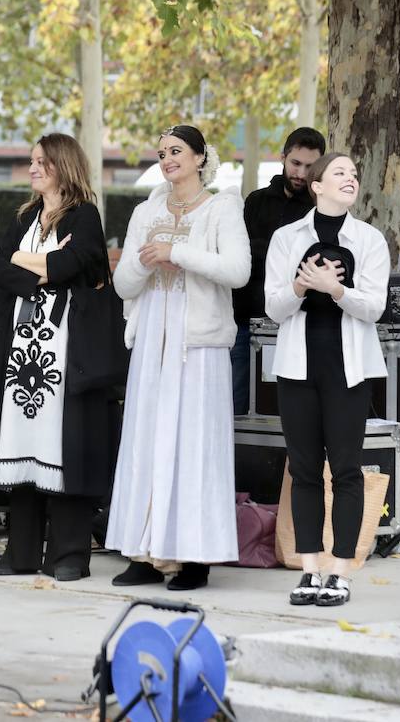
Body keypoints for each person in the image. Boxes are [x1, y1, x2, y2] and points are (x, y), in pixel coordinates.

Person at [107, 125, 249, 591]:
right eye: (163, 152)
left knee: (193, 446)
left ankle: (193, 557)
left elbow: (238, 271)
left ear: (199, 157)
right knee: (147, 440)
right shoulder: (146, 211)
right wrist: (146, 261)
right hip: (152, 341)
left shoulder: (222, 207)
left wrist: (179, 252)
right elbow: (124, 285)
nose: (168, 159)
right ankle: (143, 550)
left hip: (198, 346)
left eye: (177, 151)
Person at [0, 133, 119, 581]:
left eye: (42, 161)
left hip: (66, 353)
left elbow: (73, 265)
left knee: (64, 449)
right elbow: (0, 268)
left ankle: (68, 556)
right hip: (23, 350)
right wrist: (37, 268)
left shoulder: (85, 216)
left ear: (64, 165)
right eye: (32, 160)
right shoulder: (25, 215)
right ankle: (21, 552)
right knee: (22, 445)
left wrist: (36, 265)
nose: (33, 167)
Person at [265, 153, 390, 608]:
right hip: (297, 368)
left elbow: (375, 307)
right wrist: (301, 286)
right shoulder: (285, 238)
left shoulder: (370, 239)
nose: (350, 178)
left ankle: (340, 571)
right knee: (302, 470)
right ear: (315, 185)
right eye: (340, 173)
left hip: (349, 369)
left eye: (355, 174)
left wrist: (335, 289)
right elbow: (273, 308)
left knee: (346, 469)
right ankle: (310, 568)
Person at [231, 127, 325, 414]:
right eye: (295, 163)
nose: (301, 172)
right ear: (283, 158)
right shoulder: (255, 201)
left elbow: (313, 264)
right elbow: (240, 256)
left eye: (310, 167)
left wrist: (263, 250)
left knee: (290, 413)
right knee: (236, 408)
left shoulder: (322, 209)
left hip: (296, 328)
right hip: (245, 323)